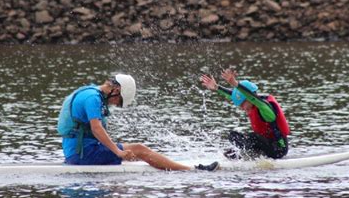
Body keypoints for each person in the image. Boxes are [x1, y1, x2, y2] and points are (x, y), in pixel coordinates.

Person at [57, 74, 219, 171]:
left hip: (76, 152)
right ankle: (191, 171)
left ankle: (169, 164)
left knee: (135, 151)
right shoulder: (93, 99)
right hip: (82, 155)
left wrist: (119, 150)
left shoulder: (89, 90)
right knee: (139, 149)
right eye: (117, 101)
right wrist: (118, 152)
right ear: (116, 90)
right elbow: (96, 128)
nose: (114, 104)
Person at [200, 69, 290, 160]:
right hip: (265, 146)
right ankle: (247, 154)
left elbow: (251, 97)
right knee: (233, 136)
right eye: (240, 105)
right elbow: (231, 95)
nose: (242, 107)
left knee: (253, 137)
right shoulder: (251, 105)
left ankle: (245, 155)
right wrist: (216, 87)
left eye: (243, 104)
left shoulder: (264, 107)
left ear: (249, 99)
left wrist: (236, 84)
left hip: (278, 149)